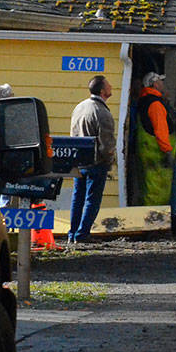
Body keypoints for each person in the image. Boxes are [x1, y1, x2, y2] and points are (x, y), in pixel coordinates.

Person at [67, 76, 116, 243]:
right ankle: (82, 234)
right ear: (103, 91)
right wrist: (109, 161)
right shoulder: (102, 112)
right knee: (92, 200)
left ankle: (72, 232)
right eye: (109, 85)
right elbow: (106, 143)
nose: (111, 87)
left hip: (78, 160)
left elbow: (73, 133)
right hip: (96, 162)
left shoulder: (80, 107)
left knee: (77, 198)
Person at [134, 72, 175, 206]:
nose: (163, 84)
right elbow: (161, 129)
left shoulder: (144, 101)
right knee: (158, 192)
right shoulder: (155, 104)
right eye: (161, 81)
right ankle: (156, 223)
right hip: (158, 156)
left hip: (148, 153)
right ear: (155, 84)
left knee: (148, 188)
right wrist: (167, 151)